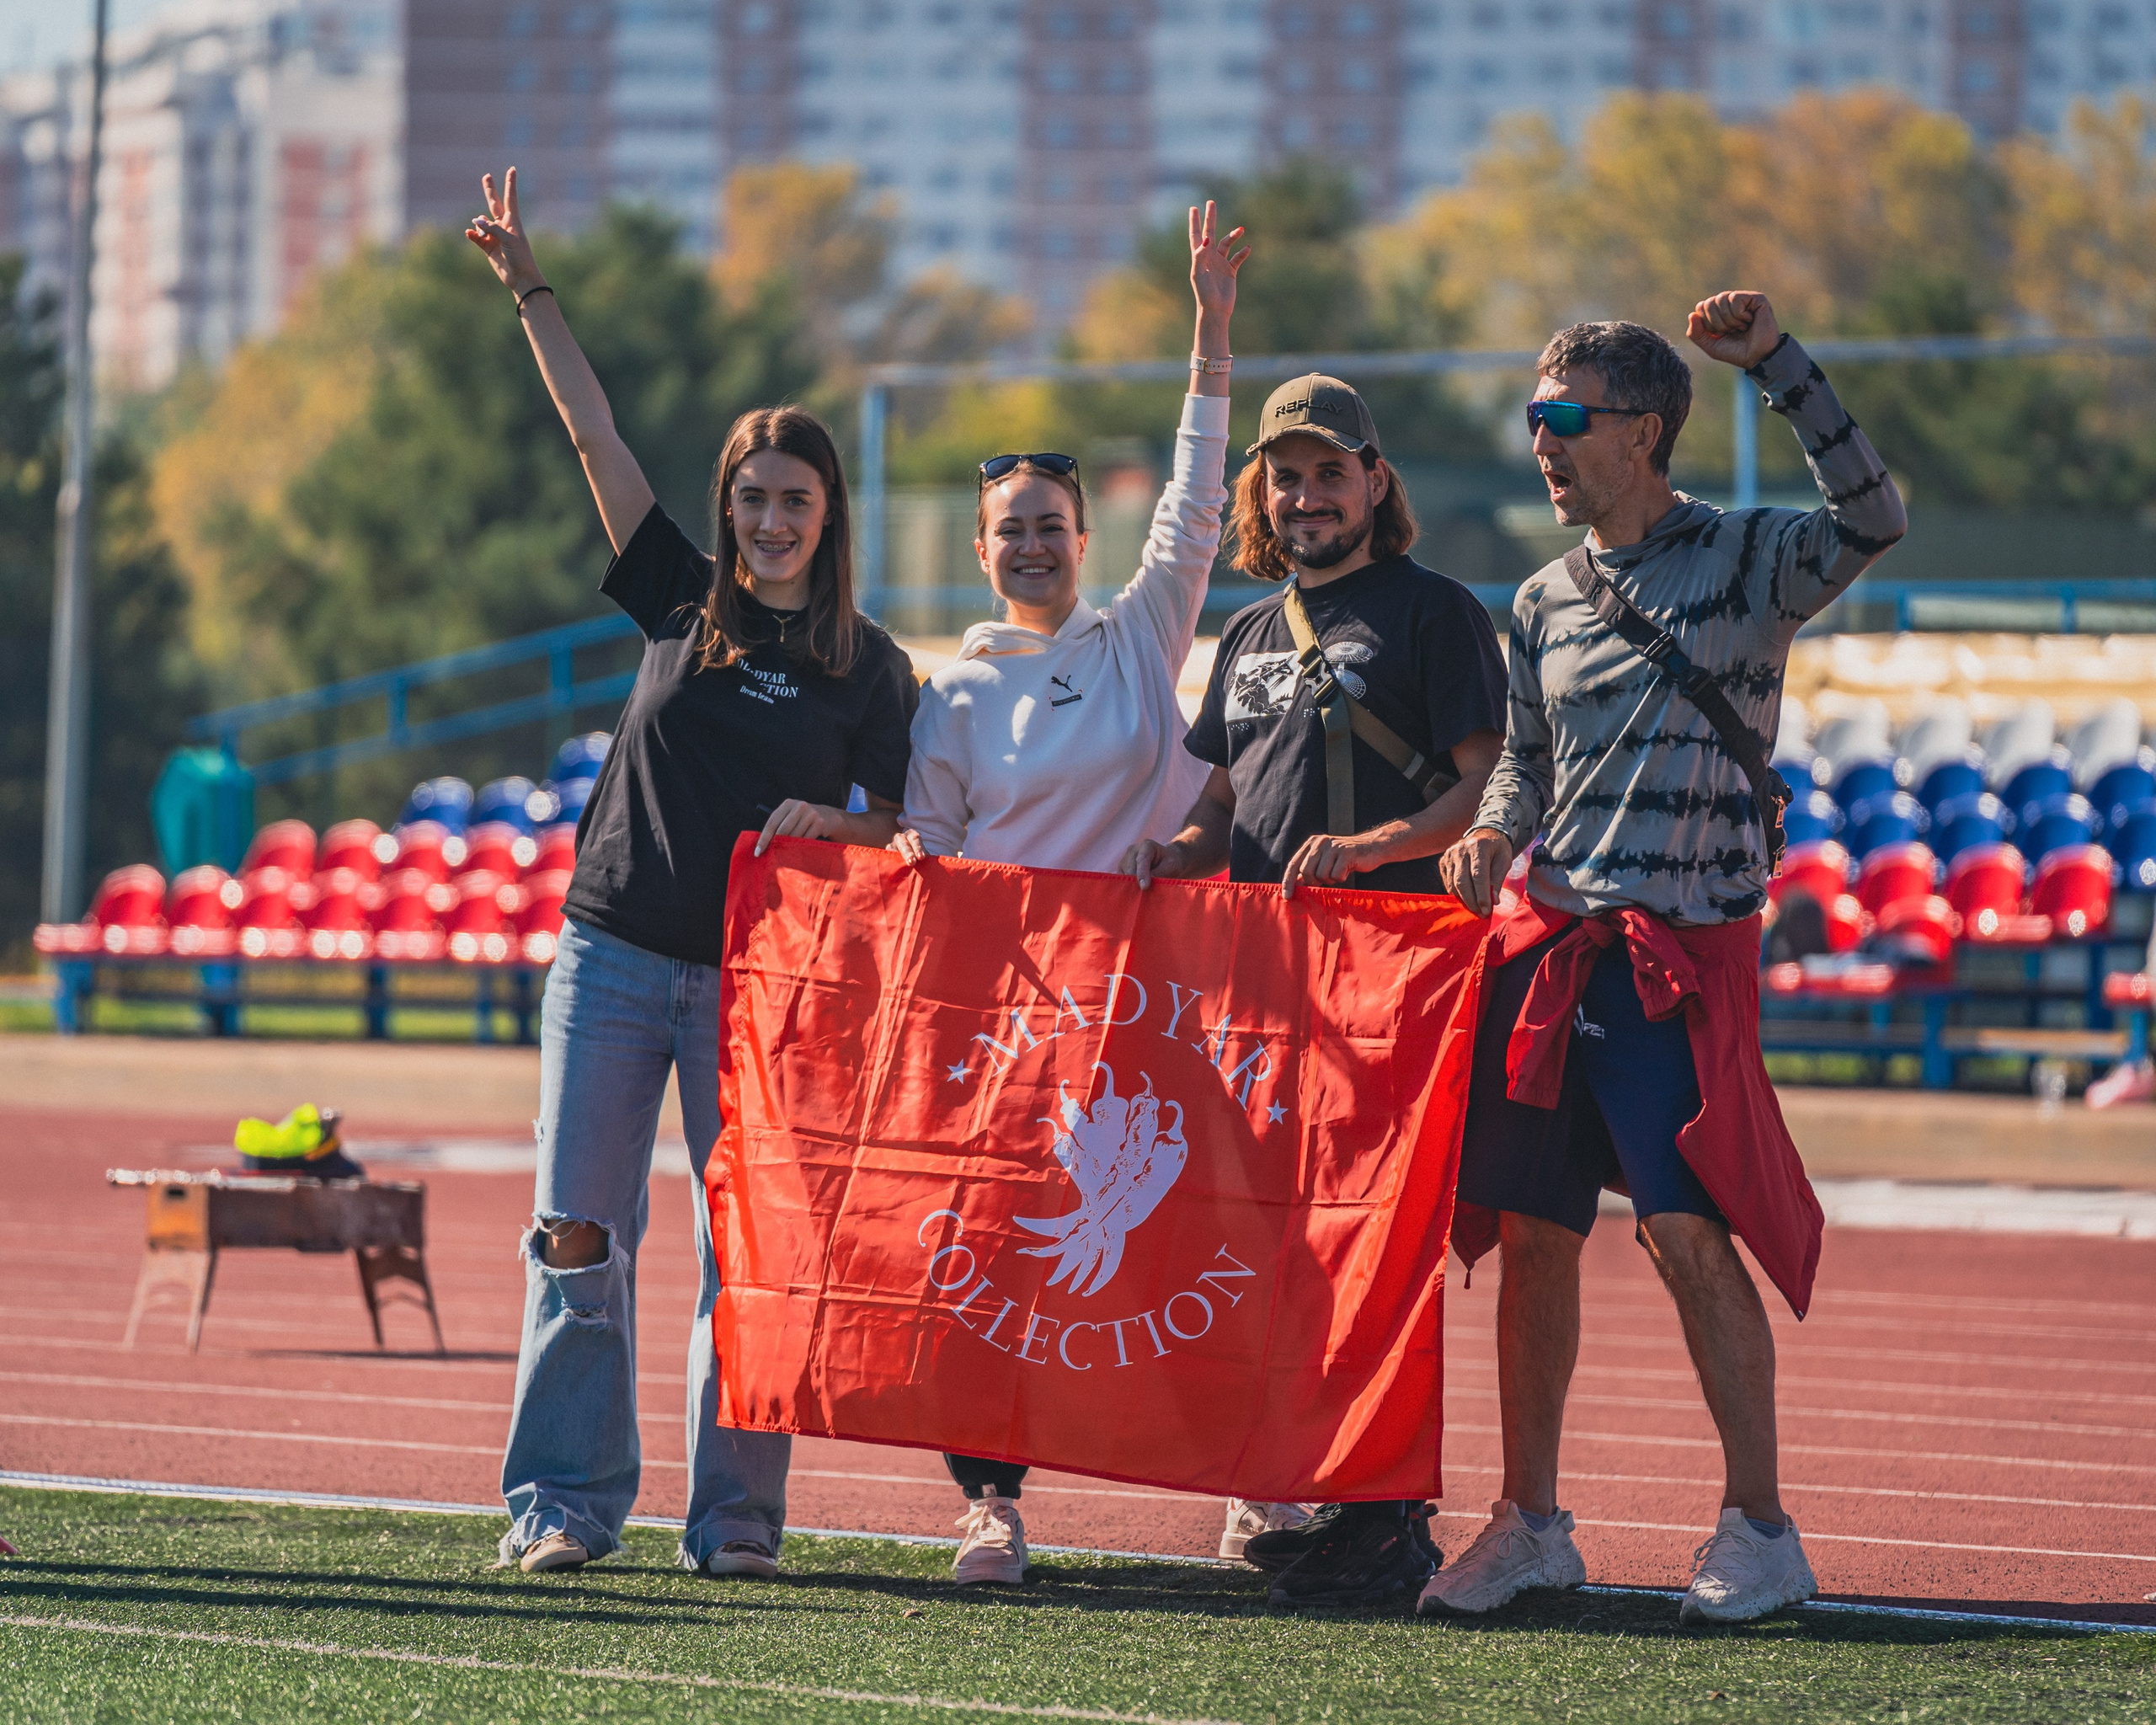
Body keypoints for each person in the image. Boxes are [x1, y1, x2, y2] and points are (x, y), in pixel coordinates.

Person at [467, 168, 921, 1578]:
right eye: (751, 497)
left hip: (760, 989)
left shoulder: (872, 664)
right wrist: (533, 289)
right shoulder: (679, 593)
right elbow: (594, 437)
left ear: (827, 513)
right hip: (610, 958)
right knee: (576, 1236)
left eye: (794, 499)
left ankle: (734, 1521)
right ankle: (563, 1506)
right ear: (727, 509)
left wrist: (829, 827)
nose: (771, 520)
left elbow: (906, 835)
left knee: (753, 1259)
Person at [1428, 294, 1907, 1626]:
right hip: (1556, 946)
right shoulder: (1535, 597)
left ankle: (1761, 1530)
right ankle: (1530, 1525)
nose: (1542, 441)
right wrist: (1492, 832)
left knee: (1688, 1237)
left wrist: (1778, 368)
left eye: (1565, 419)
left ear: (1644, 431)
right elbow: (1529, 754)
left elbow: (1875, 519)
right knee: (1534, 1238)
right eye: (1535, 418)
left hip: (1677, 960)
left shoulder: (1753, 559)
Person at [890, 201, 1249, 1586]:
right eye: (1008, 532)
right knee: (996, 1254)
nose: (1031, 545)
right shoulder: (956, 693)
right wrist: (920, 861)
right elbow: (926, 838)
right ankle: (992, 1502)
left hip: (1159, 998)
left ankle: (1250, 1485)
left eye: (1049, 524)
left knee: (1198, 1238)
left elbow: (1200, 497)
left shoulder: (1144, 634)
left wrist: (1212, 338)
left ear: (1084, 536)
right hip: (1016, 1014)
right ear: (980, 552)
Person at [1120, 372, 1510, 1609]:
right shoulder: (1245, 633)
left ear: (1374, 484)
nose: (1306, 496)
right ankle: (1314, 1484)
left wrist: (1374, 847)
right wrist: (1173, 857)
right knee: (1278, 1243)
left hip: (1391, 977)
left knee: (1373, 1246)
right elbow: (1222, 801)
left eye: (1329, 472)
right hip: (1261, 988)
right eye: (1286, 476)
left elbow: (1484, 791)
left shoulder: (1437, 614)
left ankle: (1388, 1517)